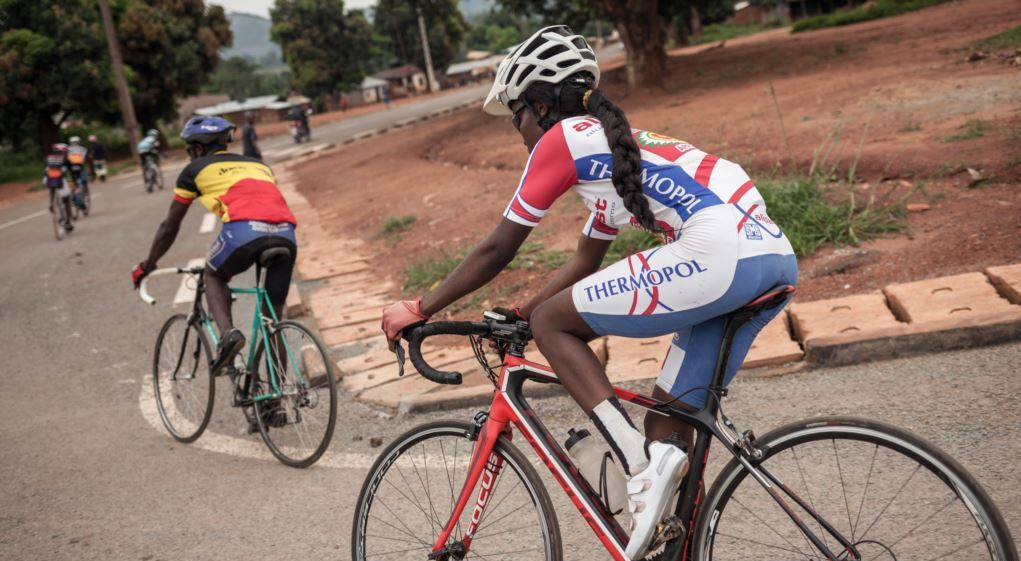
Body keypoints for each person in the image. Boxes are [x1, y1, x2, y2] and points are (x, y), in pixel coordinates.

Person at [380, 25, 798, 559]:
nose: (519, 131)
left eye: (517, 116)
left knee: (557, 325)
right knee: (668, 420)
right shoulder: (615, 154)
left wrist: (419, 307)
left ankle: (637, 465)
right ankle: (672, 532)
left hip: (718, 252)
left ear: (539, 104)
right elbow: (585, 261)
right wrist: (519, 313)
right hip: (771, 257)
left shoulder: (562, 139)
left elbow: (497, 248)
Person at [131, 116, 298, 379]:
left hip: (243, 232)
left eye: (189, 151)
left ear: (196, 149)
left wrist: (148, 264)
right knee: (271, 322)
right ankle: (276, 403)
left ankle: (228, 336)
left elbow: (169, 227)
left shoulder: (194, 169)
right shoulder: (259, 165)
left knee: (213, 274)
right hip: (286, 233)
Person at [44, 143, 74, 232]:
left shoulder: (47, 158)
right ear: (63, 151)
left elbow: (45, 171)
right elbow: (70, 173)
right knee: (66, 199)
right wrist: (73, 183)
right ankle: (68, 222)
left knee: (52, 186)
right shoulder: (65, 159)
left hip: (48, 180)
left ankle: (51, 203)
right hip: (60, 180)